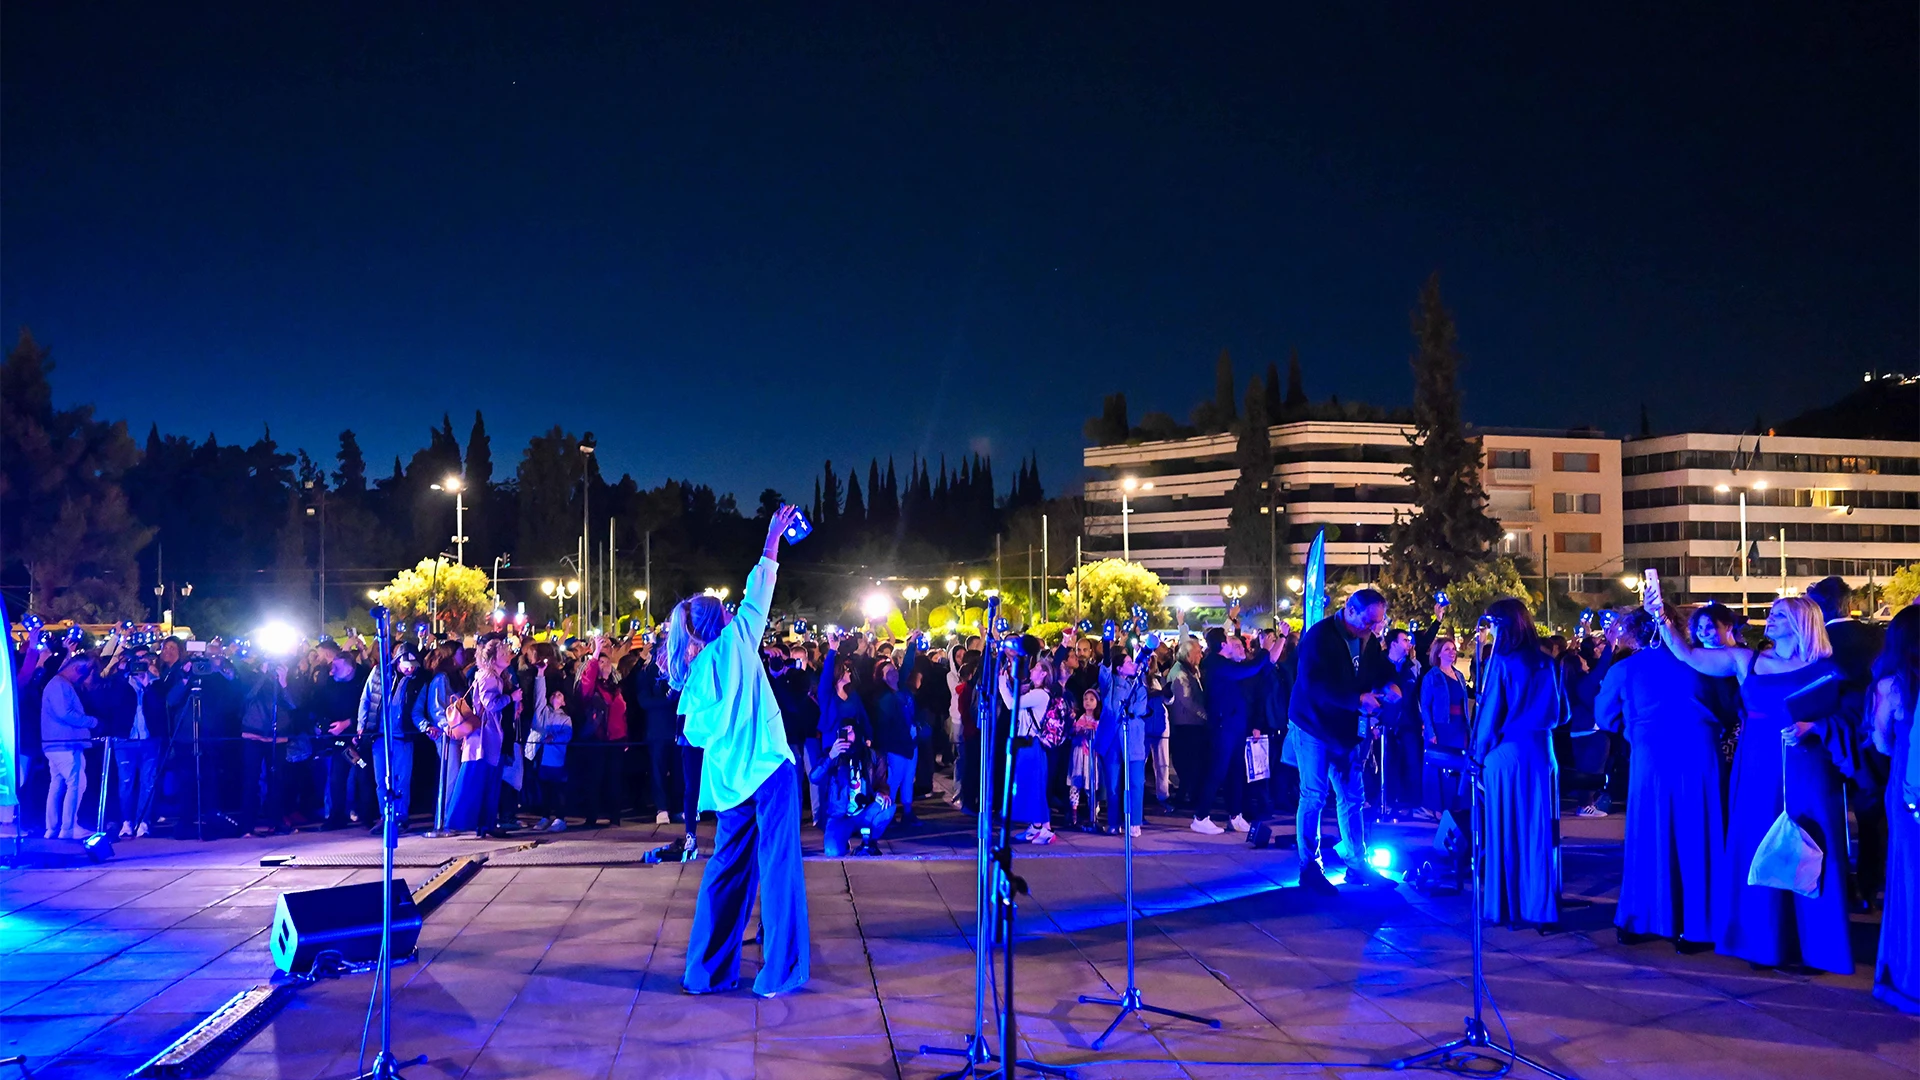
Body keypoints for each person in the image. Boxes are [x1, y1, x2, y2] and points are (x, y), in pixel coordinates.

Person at [1651, 589, 1854, 974]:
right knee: (1757, 841)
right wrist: (1661, 616)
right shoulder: (1748, 660)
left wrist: (1816, 727)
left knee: (1813, 844)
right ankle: (1762, 944)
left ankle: (1816, 949)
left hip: (1808, 767)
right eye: (1772, 613)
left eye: (1779, 614)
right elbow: (1688, 654)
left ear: (1801, 622)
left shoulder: (1829, 671)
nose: (1770, 618)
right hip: (1758, 767)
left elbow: (1853, 718)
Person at [675, 504, 810, 999]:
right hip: (769, 771)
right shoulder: (739, 640)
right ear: (721, 619)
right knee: (779, 871)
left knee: (725, 872)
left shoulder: (694, 675)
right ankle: (778, 973)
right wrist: (772, 539)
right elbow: (760, 591)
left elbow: (694, 736)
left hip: (731, 783)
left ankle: (706, 973)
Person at [1596, 608, 1730, 951]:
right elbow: (1727, 708)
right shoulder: (1699, 662)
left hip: (1652, 755)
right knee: (1699, 835)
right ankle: (1700, 924)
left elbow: (1605, 716)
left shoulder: (1625, 669)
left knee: (1650, 835)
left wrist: (1634, 731)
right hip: (1699, 753)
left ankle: (1644, 918)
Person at [1286, 589, 1395, 892]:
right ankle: (1310, 867)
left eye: (1377, 622)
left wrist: (1390, 683)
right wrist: (1356, 699)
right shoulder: (1319, 636)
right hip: (1313, 725)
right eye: (1369, 621)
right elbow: (1313, 685)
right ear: (1350, 609)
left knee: (1352, 797)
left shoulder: (1367, 638)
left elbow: (1379, 667)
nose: (1373, 628)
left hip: (1345, 728)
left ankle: (1357, 863)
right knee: (1314, 795)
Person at [1472, 598, 1567, 929]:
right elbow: (1563, 713)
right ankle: (1541, 907)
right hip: (1543, 752)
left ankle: (1507, 906)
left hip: (1509, 752)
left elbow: (1488, 719)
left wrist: (1477, 758)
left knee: (1505, 831)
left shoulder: (1501, 661)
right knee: (1539, 830)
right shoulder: (1548, 662)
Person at [1868, 606, 1918, 1013]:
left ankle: (1908, 973)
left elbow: (1882, 743)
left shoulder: (1892, 685)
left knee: (1909, 876)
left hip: (1907, 784)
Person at [1193, 626, 1275, 835]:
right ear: (1222, 645)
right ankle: (1200, 817)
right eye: (1229, 641)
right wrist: (1265, 649)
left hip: (1235, 723)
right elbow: (1250, 669)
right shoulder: (1216, 664)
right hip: (1223, 725)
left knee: (1236, 771)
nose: (1234, 643)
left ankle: (1235, 816)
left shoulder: (1224, 663)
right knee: (1218, 770)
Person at [446, 638, 514, 839]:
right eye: (503, 653)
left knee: (485, 781)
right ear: (492, 659)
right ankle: (474, 823)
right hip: (484, 737)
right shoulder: (488, 677)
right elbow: (490, 705)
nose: (508, 656)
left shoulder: (494, 676)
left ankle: (484, 824)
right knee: (479, 780)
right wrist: (512, 698)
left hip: (488, 736)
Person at [356, 645, 423, 834]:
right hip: (379, 735)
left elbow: (417, 709)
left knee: (401, 780)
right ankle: (386, 817)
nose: (411, 668)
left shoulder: (418, 681)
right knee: (382, 780)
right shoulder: (378, 673)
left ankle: (400, 817)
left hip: (403, 737)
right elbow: (366, 698)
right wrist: (361, 725)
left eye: (414, 664)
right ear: (398, 660)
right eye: (407, 664)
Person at [40, 653, 99, 840]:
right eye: (85, 672)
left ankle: (53, 828)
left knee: (57, 785)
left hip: (57, 743)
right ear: (77, 668)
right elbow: (64, 713)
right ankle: (69, 828)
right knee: (77, 783)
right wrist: (92, 722)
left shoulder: (58, 684)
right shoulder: (59, 685)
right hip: (64, 743)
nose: (85, 677)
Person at [811, 721, 892, 856]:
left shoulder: (873, 756)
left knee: (887, 807)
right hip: (840, 815)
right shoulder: (833, 756)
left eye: (850, 731)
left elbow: (881, 783)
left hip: (865, 812)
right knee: (832, 852)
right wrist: (831, 756)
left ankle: (869, 842)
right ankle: (843, 841)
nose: (846, 735)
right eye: (842, 732)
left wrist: (881, 793)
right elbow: (814, 777)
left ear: (858, 733)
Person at [1003, 653, 1057, 844]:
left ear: (1043, 674)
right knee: (1032, 786)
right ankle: (1037, 826)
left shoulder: (1039, 695)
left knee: (1034, 787)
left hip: (1031, 744)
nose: (1032, 670)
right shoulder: (1034, 692)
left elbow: (1011, 704)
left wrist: (1001, 682)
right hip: (1029, 744)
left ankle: (1044, 829)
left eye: (1036, 669)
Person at [1098, 648, 1150, 837]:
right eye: (1128, 662)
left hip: (1133, 737)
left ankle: (1134, 821)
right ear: (1119, 668)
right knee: (1113, 784)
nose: (1133, 665)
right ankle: (1114, 822)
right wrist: (1106, 645)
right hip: (1112, 739)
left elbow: (1141, 707)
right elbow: (1104, 673)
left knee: (1136, 781)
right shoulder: (1111, 683)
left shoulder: (1138, 684)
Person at [1377, 628, 1423, 821]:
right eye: (1404, 640)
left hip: (1409, 722)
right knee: (1389, 764)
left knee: (1412, 763)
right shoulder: (1380, 664)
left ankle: (1409, 805)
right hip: (1386, 722)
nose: (1408, 644)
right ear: (1393, 643)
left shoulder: (1412, 666)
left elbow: (1416, 693)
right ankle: (1387, 802)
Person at [1166, 634, 1208, 813]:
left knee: (1192, 763)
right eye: (1198, 652)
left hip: (1190, 724)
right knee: (1189, 762)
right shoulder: (1181, 674)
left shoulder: (1189, 670)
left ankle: (1186, 795)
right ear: (1189, 655)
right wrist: (1206, 716)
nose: (1201, 655)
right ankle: (1185, 797)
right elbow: (1188, 701)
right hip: (1186, 725)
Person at [530, 686, 574, 833]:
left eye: (560, 694)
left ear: (563, 702)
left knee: (558, 789)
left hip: (556, 760)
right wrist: (540, 676)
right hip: (542, 759)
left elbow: (567, 735)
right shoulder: (544, 713)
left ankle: (560, 818)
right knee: (545, 790)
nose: (556, 695)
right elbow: (539, 697)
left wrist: (553, 737)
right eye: (554, 693)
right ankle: (545, 816)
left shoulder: (565, 719)